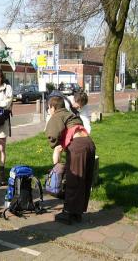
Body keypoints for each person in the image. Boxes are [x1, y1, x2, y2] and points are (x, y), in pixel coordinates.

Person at [45, 96, 96, 225]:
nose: (48, 110)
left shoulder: (57, 115)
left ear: (53, 107)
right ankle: (77, 213)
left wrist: (56, 164)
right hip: (89, 143)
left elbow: (53, 138)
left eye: (48, 108)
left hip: (78, 146)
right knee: (84, 180)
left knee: (73, 179)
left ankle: (67, 213)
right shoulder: (71, 115)